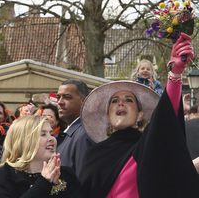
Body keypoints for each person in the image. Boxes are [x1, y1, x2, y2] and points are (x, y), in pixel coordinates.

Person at [79, 33, 199, 198]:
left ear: (140, 114)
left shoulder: (146, 145)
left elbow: (165, 119)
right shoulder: (92, 155)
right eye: (114, 101)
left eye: (129, 100)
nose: (121, 103)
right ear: (107, 115)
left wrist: (175, 74)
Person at [0, 115, 82, 198]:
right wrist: (44, 182)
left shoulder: (66, 173)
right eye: (43, 134)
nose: (51, 138)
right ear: (23, 141)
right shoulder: (5, 175)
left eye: (51, 133)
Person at [56, 79, 95, 178]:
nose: (59, 102)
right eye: (58, 97)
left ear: (84, 100)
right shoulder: (74, 131)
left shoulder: (85, 133)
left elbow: (83, 179)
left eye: (67, 97)